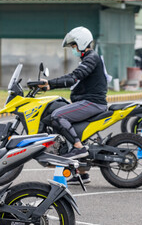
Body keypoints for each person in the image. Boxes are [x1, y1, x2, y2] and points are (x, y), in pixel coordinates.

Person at [38, 26, 108, 183]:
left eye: (73, 46)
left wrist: (50, 84)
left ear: (81, 43)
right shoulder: (89, 58)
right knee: (62, 122)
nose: (73, 49)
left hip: (93, 103)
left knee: (58, 115)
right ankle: (80, 174)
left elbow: (74, 77)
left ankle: (79, 148)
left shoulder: (91, 58)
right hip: (88, 101)